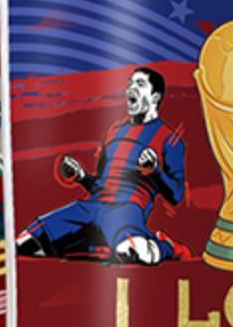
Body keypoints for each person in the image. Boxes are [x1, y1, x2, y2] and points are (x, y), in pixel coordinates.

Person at [16, 66, 186, 264]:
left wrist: (154, 170)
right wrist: (81, 177)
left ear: (155, 97)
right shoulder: (114, 133)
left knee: (136, 254)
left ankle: (167, 247)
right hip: (90, 205)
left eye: (140, 84)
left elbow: (176, 195)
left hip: (126, 209)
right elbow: (101, 185)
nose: (131, 88)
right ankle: (95, 246)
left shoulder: (169, 139)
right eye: (130, 83)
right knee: (23, 244)